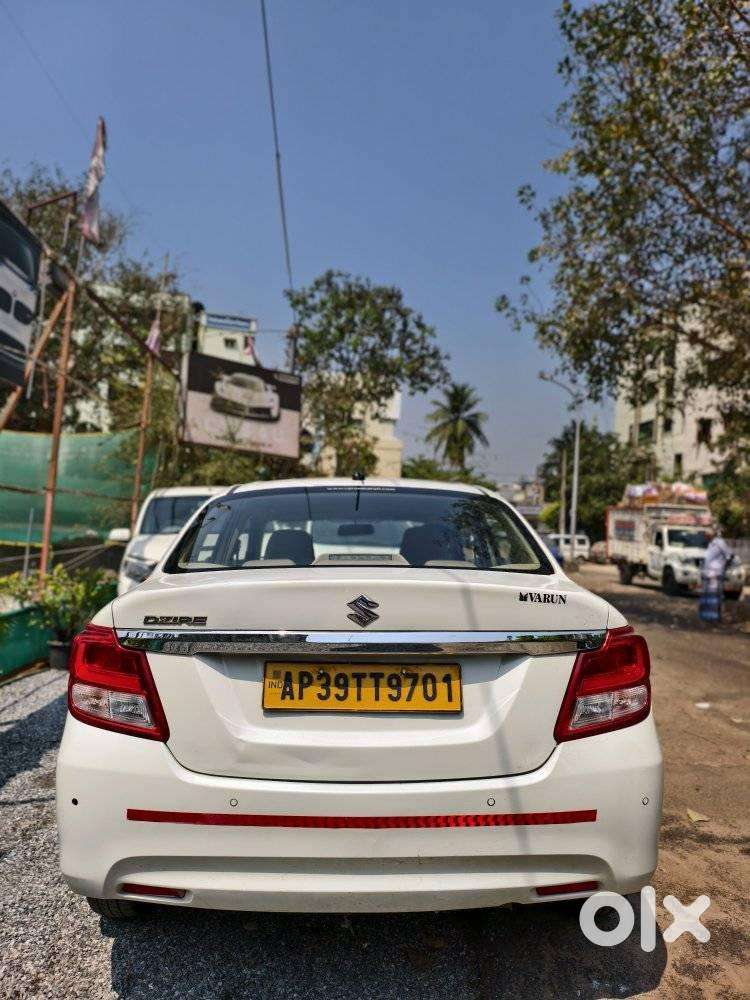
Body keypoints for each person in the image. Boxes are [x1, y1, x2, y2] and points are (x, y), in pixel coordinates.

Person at [699, 526, 732, 623]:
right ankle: (707, 617)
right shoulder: (710, 544)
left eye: (706, 535)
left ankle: (716, 617)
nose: (705, 536)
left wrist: (723, 568)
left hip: (716, 574)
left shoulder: (720, 543)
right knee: (708, 596)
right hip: (708, 574)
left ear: (711, 534)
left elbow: (728, 556)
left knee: (716, 596)